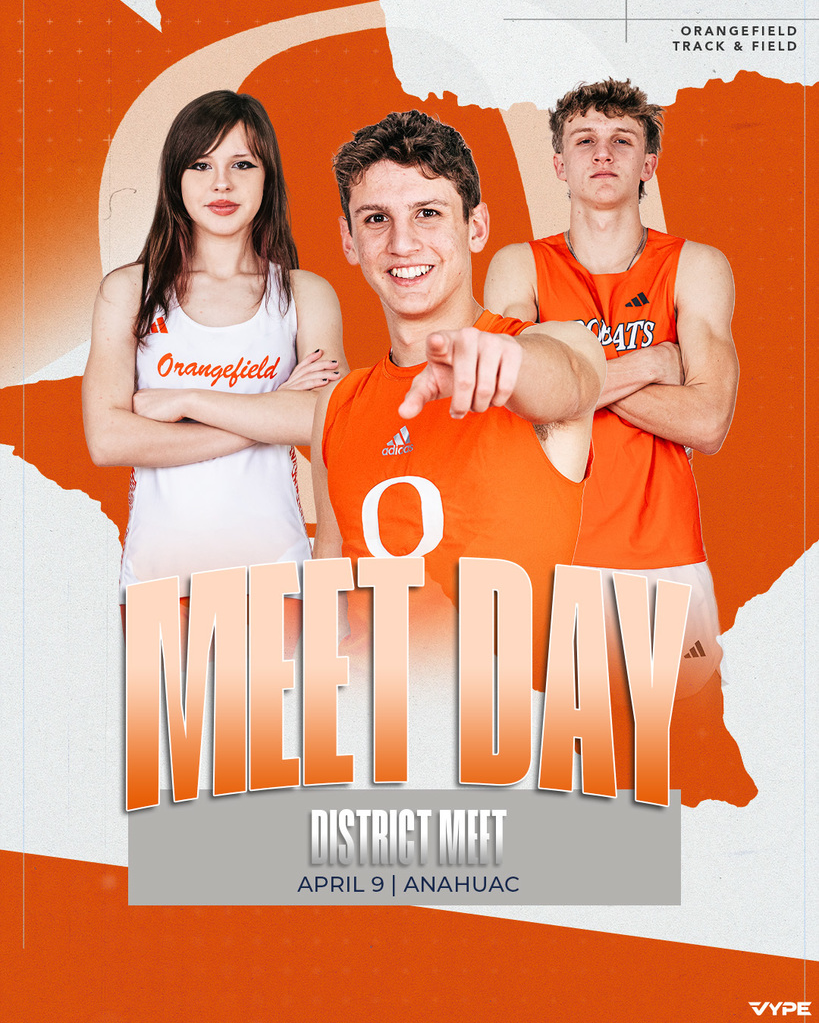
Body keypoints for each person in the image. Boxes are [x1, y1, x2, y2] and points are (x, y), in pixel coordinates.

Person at [484, 78, 756, 806]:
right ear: (557, 165)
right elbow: (507, 404)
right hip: (551, 562)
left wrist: (571, 377)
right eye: (583, 141)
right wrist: (647, 364)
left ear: (649, 163)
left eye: (621, 141)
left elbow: (708, 422)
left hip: (664, 559)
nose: (601, 154)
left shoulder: (694, 265)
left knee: (685, 778)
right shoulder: (520, 266)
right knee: (566, 791)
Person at [311, 110, 605, 684]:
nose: (402, 242)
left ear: (476, 226)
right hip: (378, 751)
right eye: (376, 219)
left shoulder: (548, 345)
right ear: (349, 240)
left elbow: (569, 377)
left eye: (428, 213)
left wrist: (505, 362)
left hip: (514, 753)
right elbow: (331, 585)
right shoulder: (337, 405)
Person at [83, 90, 346, 640]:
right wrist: (269, 412)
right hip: (159, 588)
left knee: (294, 730)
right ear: (175, 178)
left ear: (267, 176)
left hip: (283, 583)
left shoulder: (305, 294)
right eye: (201, 164)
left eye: (241, 164)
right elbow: (107, 439)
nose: (221, 183)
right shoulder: (130, 291)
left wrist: (185, 402)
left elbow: (330, 426)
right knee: (171, 731)